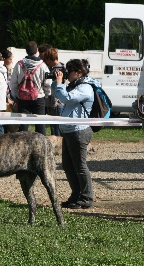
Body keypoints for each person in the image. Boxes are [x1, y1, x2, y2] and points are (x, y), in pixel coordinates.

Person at [52, 58, 94, 209]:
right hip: (70, 131)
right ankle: (76, 195)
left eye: (69, 72)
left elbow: (67, 99)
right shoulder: (73, 85)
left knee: (80, 166)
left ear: (78, 72)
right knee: (68, 166)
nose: (66, 74)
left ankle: (86, 197)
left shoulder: (85, 88)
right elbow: (58, 95)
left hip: (79, 131)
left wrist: (59, 83)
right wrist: (56, 82)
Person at [9, 41, 52, 135]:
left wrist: (16, 94)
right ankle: (41, 145)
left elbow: (13, 83)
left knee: (23, 125)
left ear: (26, 51)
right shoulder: (43, 66)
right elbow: (48, 83)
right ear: (37, 51)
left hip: (22, 98)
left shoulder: (19, 64)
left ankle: (22, 145)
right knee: (40, 124)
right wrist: (47, 94)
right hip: (39, 98)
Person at [43, 48, 66, 136]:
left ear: (49, 59)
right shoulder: (62, 67)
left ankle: (58, 146)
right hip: (55, 101)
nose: (46, 62)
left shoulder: (58, 70)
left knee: (56, 127)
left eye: (46, 60)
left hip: (56, 102)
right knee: (54, 126)